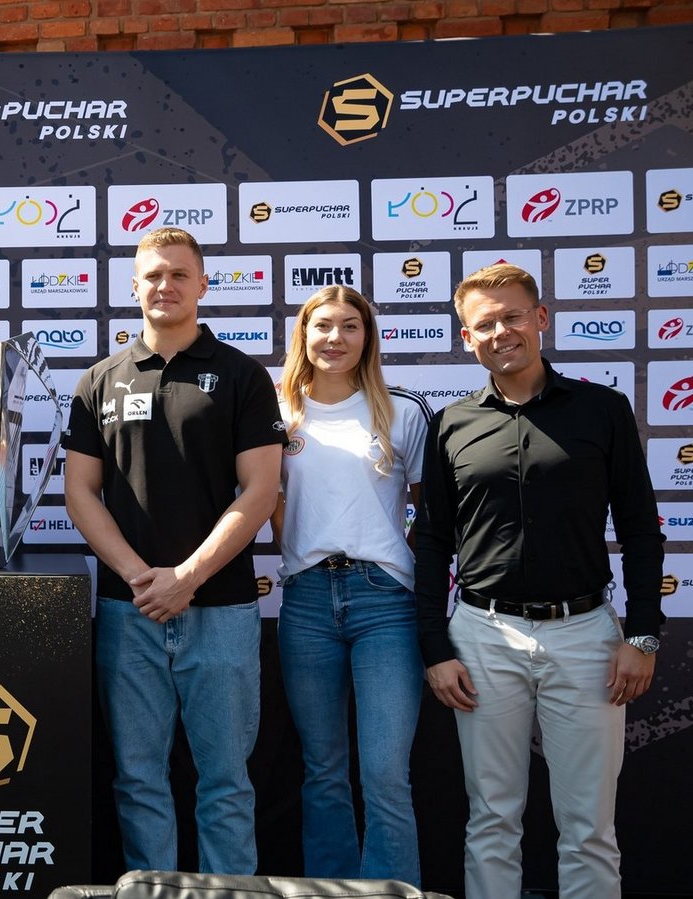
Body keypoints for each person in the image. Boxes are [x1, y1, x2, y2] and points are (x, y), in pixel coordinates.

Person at [413, 263, 665, 899]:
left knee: (588, 827)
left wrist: (642, 635)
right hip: (482, 636)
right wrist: (435, 648)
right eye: (485, 324)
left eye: (513, 316)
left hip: (586, 638)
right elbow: (432, 543)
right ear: (467, 338)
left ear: (541, 318)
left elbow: (641, 529)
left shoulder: (603, 410)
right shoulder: (450, 424)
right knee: (491, 820)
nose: (501, 332)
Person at [63, 226, 284, 874]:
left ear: (203, 284)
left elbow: (261, 490)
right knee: (138, 779)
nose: (166, 285)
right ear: (134, 285)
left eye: (179, 274)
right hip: (128, 610)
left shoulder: (242, 375)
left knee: (226, 782)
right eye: (154, 275)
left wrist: (187, 576)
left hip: (222, 609)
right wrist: (142, 577)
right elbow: (80, 493)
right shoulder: (99, 380)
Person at [272, 286, 430, 884]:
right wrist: (299, 549)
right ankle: (331, 890)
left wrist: (390, 560)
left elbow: (429, 515)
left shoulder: (401, 410)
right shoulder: (278, 410)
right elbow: (269, 500)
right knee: (323, 770)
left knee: (385, 774)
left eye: (349, 326)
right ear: (303, 335)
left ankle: (392, 892)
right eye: (322, 326)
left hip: (384, 602)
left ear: (368, 337)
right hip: (306, 601)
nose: (335, 338)